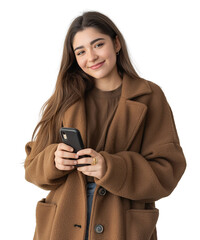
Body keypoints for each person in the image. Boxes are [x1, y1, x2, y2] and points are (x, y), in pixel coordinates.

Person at [24, 11, 186, 240]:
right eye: (80, 52)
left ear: (116, 43)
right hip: (62, 221)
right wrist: (53, 160)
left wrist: (110, 168)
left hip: (121, 222)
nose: (91, 57)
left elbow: (168, 170)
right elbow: (31, 168)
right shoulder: (65, 97)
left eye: (98, 44)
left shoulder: (149, 97)